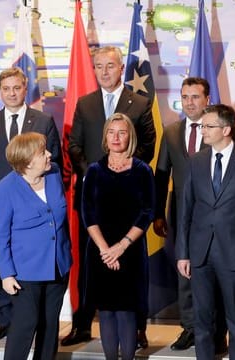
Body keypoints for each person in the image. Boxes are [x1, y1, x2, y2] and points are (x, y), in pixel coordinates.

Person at [65, 45, 155, 347]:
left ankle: (138, 328)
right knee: (91, 264)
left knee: (131, 273)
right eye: (99, 66)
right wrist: (94, 173)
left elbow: (148, 146)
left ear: (121, 69)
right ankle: (82, 324)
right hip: (94, 198)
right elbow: (74, 144)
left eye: (111, 66)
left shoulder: (140, 102)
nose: (105, 71)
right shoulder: (85, 103)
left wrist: (122, 171)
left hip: (129, 202)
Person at [0, 67, 62, 342]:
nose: (12, 93)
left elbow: (55, 161)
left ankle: (32, 321)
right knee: (3, 259)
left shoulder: (43, 120)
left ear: (26, 89)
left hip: (35, 206)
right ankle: (4, 318)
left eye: (17, 87)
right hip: (0, 205)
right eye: (6, 89)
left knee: (31, 264)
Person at [176, 104, 235, 360]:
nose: (202, 130)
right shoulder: (195, 161)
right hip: (200, 253)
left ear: (226, 129)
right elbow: (186, 211)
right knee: (203, 320)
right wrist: (183, 253)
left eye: (208, 126)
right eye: (202, 125)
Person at [154, 77, 227, 352]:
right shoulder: (172, 132)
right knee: (184, 273)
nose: (189, 102)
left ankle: (217, 333)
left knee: (215, 275)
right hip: (180, 216)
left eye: (195, 97)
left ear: (207, 99)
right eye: (185, 97)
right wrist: (158, 214)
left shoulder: (221, 130)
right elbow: (161, 176)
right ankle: (190, 329)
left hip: (215, 217)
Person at [0, 132, 71, 360]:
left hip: (58, 266)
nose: (49, 155)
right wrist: (6, 274)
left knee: (50, 328)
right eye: (42, 152)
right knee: (26, 325)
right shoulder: (6, 188)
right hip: (25, 272)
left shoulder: (54, 173)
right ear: (27, 162)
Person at [81, 113, 154, 359]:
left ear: (130, 137)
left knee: (127, 310)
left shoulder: (142, 170)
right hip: (100, 252)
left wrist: (121, 247)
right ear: (104, 136)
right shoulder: (93, 171)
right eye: (111, 132)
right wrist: (105, 250)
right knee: (107, 310)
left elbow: (147, 213)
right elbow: (88, 215)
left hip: (130, 250)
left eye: (122, 132)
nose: (116, 137)